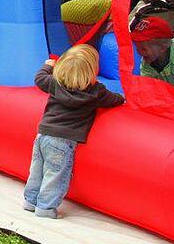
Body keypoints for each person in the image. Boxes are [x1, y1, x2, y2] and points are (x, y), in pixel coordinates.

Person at [23, 45, 124, 218]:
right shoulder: (96, 93)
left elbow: (39, 78)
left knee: (37, 169)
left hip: (43, 135)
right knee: (56, 175)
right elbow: (115, 100)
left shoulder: (55, 83)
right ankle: (46, 208)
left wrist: (48, 65)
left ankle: (30, 201)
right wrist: (123, 98)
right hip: (64, 141)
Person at [132, 17, 174, 90]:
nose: (139, 52)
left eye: (143, 49)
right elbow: (148, 87)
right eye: (137, 48)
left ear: (163, 46)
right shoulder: (149, 60)